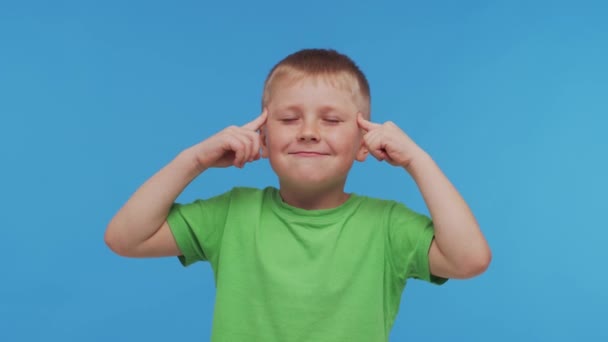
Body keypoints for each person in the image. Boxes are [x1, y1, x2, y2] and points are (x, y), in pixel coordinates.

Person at [105, 48, 491, 342]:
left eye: (332, 120)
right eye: (289, 119)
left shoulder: (386, 225)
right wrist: (193, 160)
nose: (308, 131)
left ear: (364, 144)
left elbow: (469, 260)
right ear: (264, 139)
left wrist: (418, 161)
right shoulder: (232, 214)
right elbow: (125, 238)